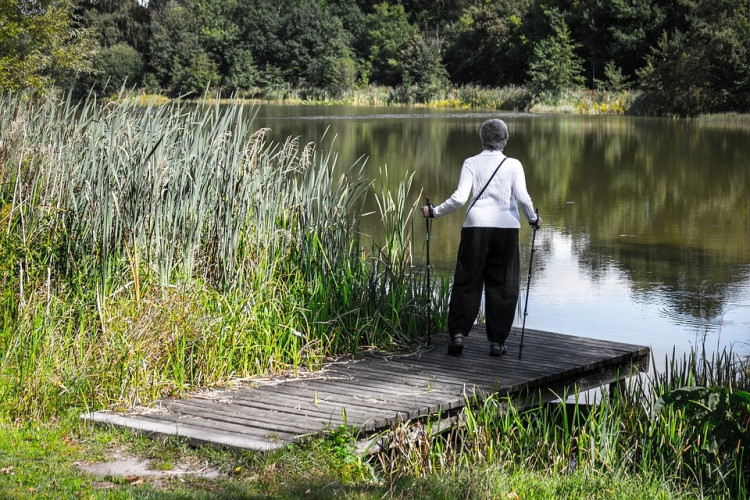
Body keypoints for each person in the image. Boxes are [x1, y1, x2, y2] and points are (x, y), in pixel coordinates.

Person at [421, 119, 541, 356]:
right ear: (505, 139)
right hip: (506, 230)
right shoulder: (514, 165)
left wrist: (435, 212)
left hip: (475, 227)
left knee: (467, 280)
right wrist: (533, 219)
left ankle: (457, 335)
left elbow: (458, 198)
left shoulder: (471, 163)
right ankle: (497, 342)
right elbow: (524, 199)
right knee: (504, 284)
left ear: (482, 138)